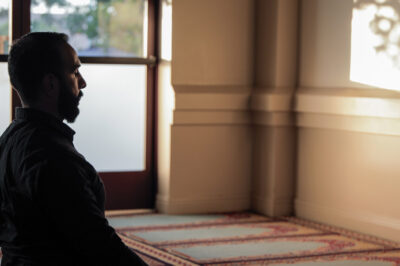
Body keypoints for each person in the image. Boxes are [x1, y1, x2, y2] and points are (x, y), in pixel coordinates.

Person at [0, 32, 147, 266]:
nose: (83, 82)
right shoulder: (52, 157)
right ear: (50, 84)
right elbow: (100, 245)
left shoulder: (10, 139)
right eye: (75, 71)